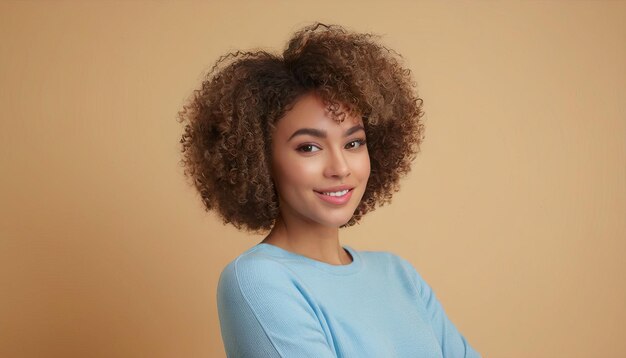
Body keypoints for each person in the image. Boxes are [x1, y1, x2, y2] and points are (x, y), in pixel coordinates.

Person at [179, 23, 480, 358]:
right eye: (309, 147)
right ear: (260, 160)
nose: (340, 167)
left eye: (353, 142)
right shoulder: (257, 280)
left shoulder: (399, 275)